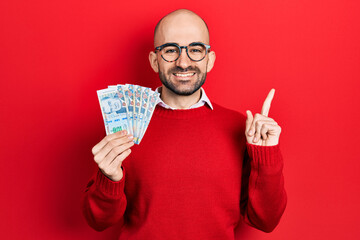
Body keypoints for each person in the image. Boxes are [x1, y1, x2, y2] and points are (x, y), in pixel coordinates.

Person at [82, 9, 287, 240]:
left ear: (209, 60)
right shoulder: (127, 123)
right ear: (154, 60)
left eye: (195, 50)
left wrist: (266, 155)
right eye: (171, 50)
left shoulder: (240, 128)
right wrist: (109, 178)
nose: (183, 62)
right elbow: (98, 221)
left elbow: (266, 221)